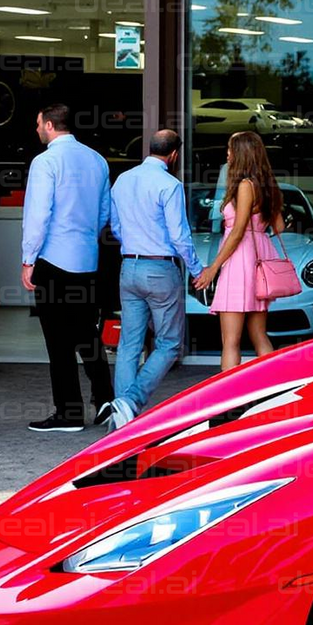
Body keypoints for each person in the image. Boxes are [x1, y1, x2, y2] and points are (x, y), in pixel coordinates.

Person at [21, 103, 114, 432]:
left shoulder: (45, 161)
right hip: (87, 259)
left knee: (58, 342)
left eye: (37, 124)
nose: (36, 130)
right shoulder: (97, 160)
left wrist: (28, 258)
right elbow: (105, 213)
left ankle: (68, 412)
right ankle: (104, 399)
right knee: (88, 333)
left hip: (54, 259)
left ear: (48, 125)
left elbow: (38, 214)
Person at [103, 128, 199, 428]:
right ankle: (131, 401)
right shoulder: (169, 185)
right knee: (170, 343)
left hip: (128, 266)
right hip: (160, 269)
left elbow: (115, 227)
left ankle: (122, 420)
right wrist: (197, 269)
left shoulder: (123, 180)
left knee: (129, 342)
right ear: (174, 154)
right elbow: (179, 237)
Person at [194, 130, 286, 371]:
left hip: (240, 260)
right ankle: (272, 391)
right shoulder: (268, 185)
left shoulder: (245, 185)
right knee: (259, 336)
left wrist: (212, 268)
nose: (227, 153)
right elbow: (279, 227)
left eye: (230, 148)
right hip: (260, 255)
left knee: (230, 342)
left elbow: (237, 231)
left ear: (242, 153)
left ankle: (229, 401)